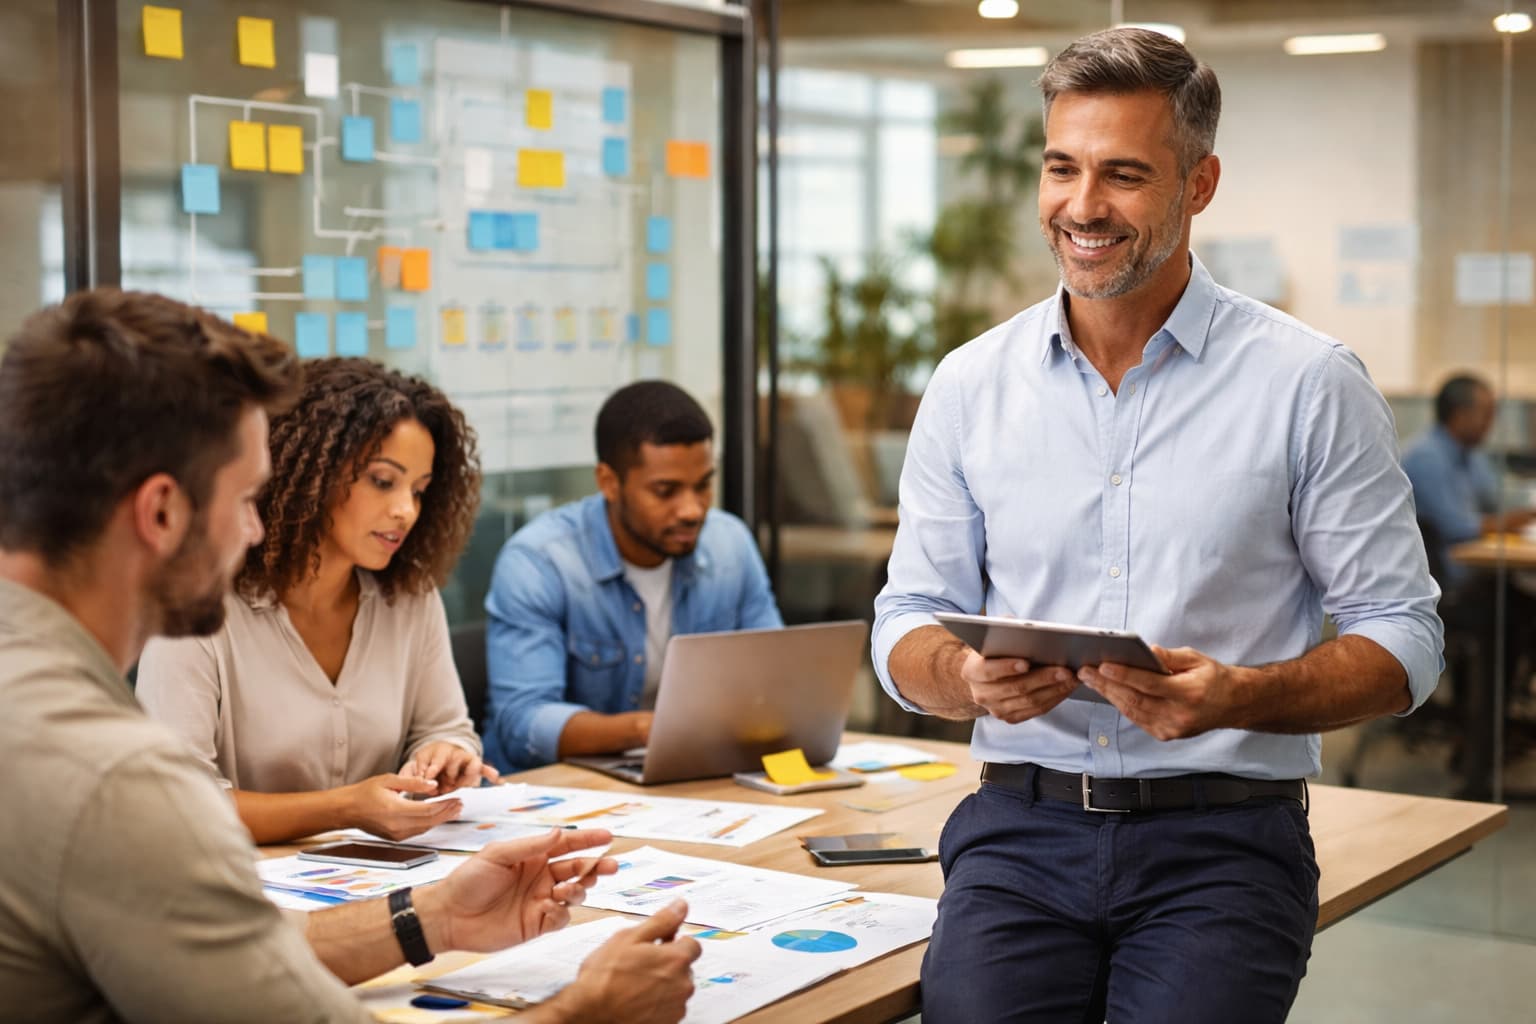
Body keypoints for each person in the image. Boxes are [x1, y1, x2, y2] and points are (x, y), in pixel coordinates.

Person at [871, 28, 1442, 1024]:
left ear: (1199, 183)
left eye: (1124, 174)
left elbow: (1406, 639)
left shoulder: (1309, 383)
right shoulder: (969, 385)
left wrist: (1240, 697)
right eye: (1063, 167)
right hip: (1018, 832)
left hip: (1224, 844)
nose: (1083, 205)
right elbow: (905, 620)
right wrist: (963, 676)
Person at [0, 289, 699, 1022]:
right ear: (163, 512)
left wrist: (433, 917)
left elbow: (246, 954)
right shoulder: (116, 780)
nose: (255, 529)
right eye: (247, 498)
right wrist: (590, 1009)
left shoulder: (39, 707)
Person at [138, 358, 493, 844]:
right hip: (233, 878)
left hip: (380, 871)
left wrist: (445, 753)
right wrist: (345, 809)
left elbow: (446, 727)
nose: (405, 511)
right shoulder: (195, 608)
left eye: (419, 491)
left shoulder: (409, 596)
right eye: (382, 481)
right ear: (311, 473)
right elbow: (176, 804)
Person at [483, 380, 782, 771]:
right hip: (562, 791)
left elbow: (775, 683)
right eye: (665, 491)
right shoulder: (539, 562)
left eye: (703, 485)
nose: (692, 510)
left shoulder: (730, 545)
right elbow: (523, 724)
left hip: (693, 777)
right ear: (609, 482)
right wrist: (647, 730)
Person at [1402, 372, 1535, 589]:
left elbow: (1498, 496)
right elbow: (1456, 528)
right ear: (1460, 415)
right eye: (1487, 413)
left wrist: (1526, 506)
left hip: (1478, 571)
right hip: (1448, 581)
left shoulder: (1470, 454)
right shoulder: (1426, 458)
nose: (1491, 423)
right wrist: (1506, 523)